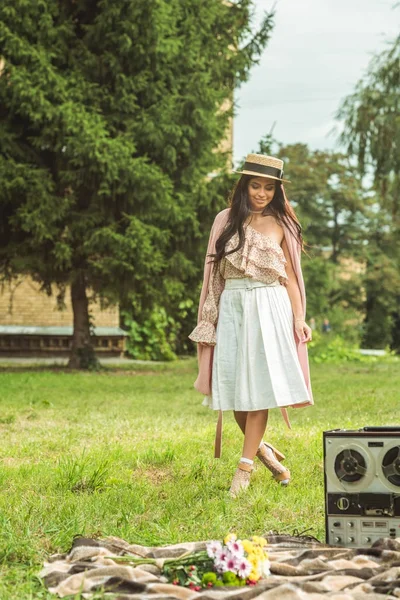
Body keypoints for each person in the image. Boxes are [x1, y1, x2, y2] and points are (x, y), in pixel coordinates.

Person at [189, 153, 314, 497]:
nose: (261, 193)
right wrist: (208, 319)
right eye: (256, 185)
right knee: (236, 395)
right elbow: (212, 274)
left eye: (269, 188)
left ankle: (243, 470)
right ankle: (261, 449)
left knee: (259, 389)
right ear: (244, 186)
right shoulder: (224, 220)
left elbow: (290, 277)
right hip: (232, 306)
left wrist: (300, 318)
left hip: (269, 304)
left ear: (277, 190)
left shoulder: (282, 223)